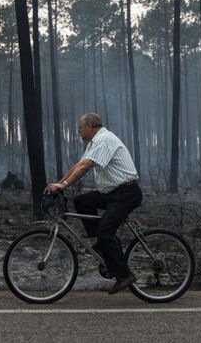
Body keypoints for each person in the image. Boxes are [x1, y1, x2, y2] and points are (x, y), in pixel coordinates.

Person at [48, 112, 142, 294]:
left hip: (126, 193)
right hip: (112, 192)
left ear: (90, 127)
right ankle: (102, 240)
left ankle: (124, 275)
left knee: (105, 231)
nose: (78, 131)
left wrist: (64, 185)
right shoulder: (95, 142)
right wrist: (60, 183)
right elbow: (78, 164)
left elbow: (85, 166)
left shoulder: (104, 140)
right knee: (81, 201)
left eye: (80, 128)